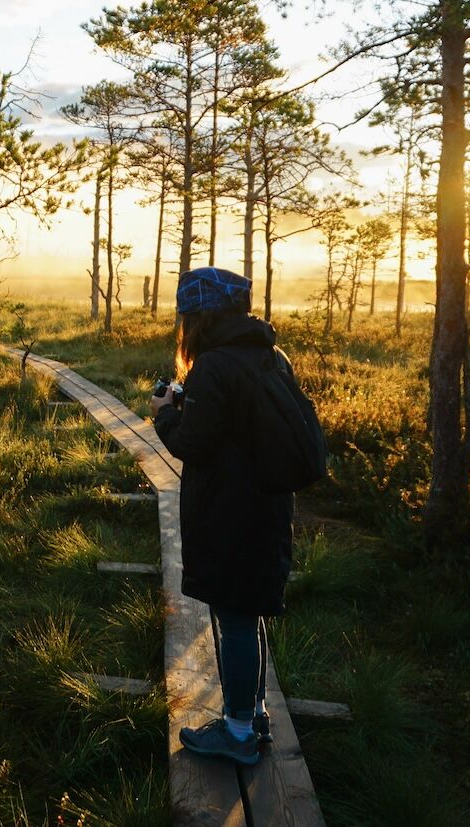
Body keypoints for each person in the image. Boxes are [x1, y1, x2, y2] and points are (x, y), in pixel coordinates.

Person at [149, 266, 294, 767]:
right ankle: (251, 716)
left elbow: (192, 445)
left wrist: (165, 412)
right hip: (268, 507)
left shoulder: (213, 365)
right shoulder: (271, 356)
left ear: (199, 318)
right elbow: (238, 421)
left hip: (229, 511)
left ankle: (235, 734)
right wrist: (192, 402)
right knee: (247, 614)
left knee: (232, 619)